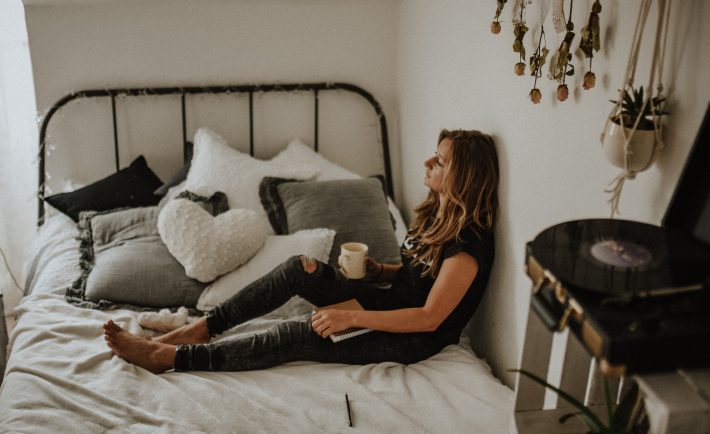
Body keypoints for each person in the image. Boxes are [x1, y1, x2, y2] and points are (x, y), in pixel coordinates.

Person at [103, 129, 500, 374]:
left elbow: (430, 318)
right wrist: (382, 270)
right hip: (385, 305)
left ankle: (171, 359)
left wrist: (347, 316)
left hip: (410, 338)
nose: (428, 161)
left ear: (461, 176)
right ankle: (201, 329)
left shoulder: (468, 244)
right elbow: (420, 278)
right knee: (301, 269)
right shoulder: (436, 215)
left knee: (299, 333)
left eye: (440, 160)